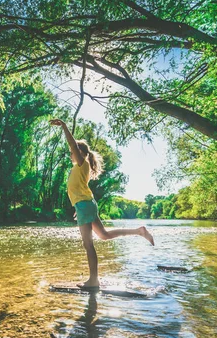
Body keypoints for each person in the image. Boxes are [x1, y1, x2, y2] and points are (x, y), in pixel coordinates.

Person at [50, 118, 154, 289]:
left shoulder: (82, 164)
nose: (71, 154)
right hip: (85, 205)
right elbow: (79, 191)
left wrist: (64, 126)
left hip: (86, 205)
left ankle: (93, 281)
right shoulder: (79, 168)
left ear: (80, 153)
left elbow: (72, 144)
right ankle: (139, 231)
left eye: (73, 152)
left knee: (88, 244)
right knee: (104, 235)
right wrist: (78, 208)